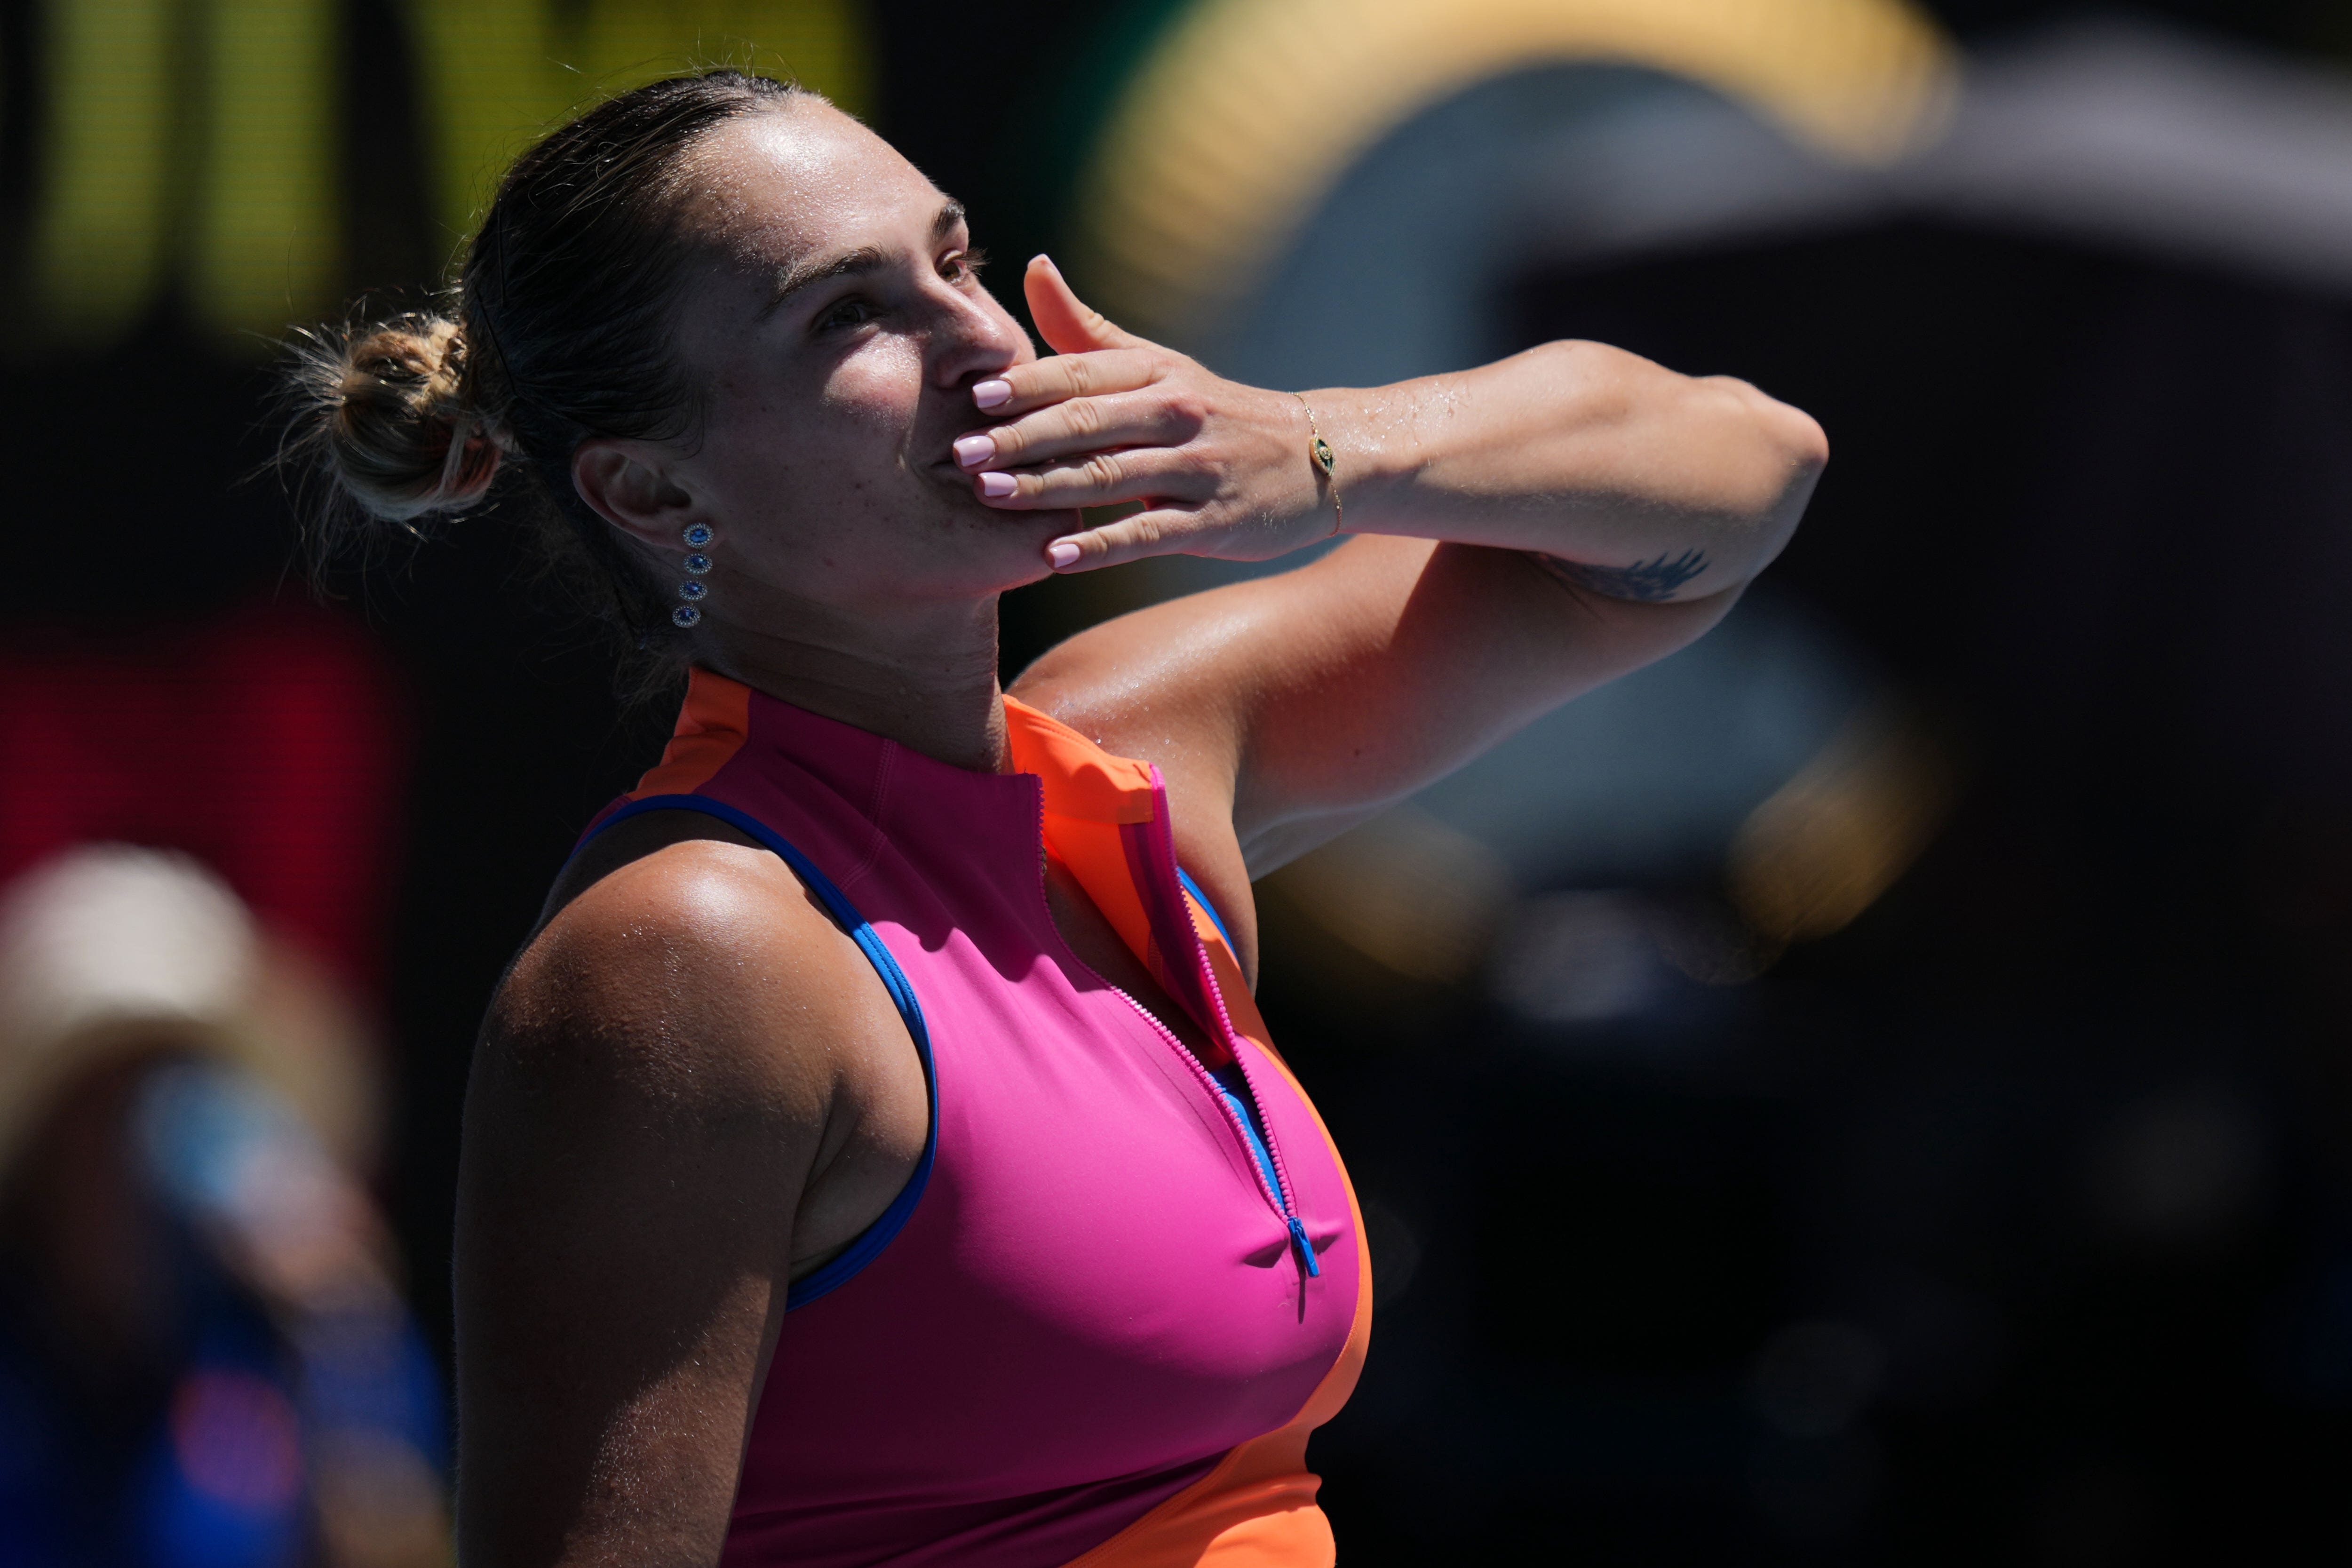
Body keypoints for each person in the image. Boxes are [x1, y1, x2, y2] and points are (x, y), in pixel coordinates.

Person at [281, 69, 1823, 1568]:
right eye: (848, 314)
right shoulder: (695, 956)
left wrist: (1324, 448)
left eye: (953, 259)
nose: (975, 335)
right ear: (650, 490)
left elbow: (1741, 476)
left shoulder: (1142, 750)